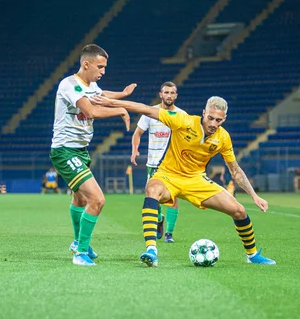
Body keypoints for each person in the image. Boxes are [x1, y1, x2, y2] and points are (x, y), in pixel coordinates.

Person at [94, 94, 276, 267]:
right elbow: (146, 109)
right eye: (210, 118)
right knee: (152, 189)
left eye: (218, 120)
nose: (213, 123)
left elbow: (235, 171)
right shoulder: (184, 120)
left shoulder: (223, 138)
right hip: (168, 175)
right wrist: (111, 102)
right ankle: (151, 249)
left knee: (239, 211)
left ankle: (252, 255)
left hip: (197, 181)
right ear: (204, 113)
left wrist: (254, 196)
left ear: (224, 119)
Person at [50, 44, 134, 266]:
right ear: (85, 64)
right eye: (100, 66)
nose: (103, 71)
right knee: (97, 199)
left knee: (79, 198)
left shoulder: (91, 85)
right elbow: (91, 110)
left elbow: (102, 95)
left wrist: (122, 94)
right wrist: (121, 110)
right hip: (64, 151)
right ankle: (81, 253)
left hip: (80, 151)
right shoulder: (69, 85)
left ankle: (78, 243)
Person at [131, 81, 184, 243]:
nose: (169, 95)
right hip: (153, 164)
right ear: (161, 94)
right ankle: (159, 218)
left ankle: (169, 233)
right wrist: (135, 150)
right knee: (155, 197)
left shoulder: (182, 115)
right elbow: (137, 133)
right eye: (166, 92)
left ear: (176, 95)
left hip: (173, 164)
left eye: (172, 92)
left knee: (174, 198)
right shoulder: (150, 113)